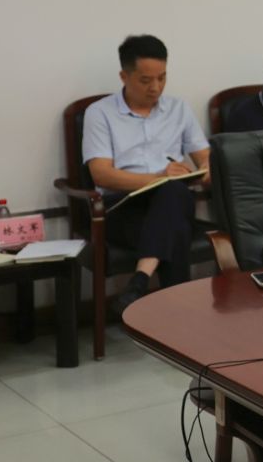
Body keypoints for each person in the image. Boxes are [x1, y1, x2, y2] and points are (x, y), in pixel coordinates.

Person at [81, 35, 210, 311]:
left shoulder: (178, 109)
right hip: (122, 207)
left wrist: (203, 171)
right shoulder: (100, 113)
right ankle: (180, 318)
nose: (156, 87)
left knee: (174, 195)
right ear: (124, 76)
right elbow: (102, 175)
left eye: (162, 78)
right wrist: (160, 178)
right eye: (145, 80)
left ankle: (140, 282)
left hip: (171, 202)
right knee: (176, 226)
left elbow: (206, 158)